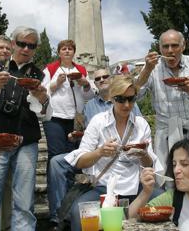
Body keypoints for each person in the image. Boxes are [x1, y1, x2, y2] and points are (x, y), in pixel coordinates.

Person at [0, 26, 51, 231]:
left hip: (27, 141)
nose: (26, 49)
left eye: (31, 45)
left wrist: (42, 99)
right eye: (22, 43)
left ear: (35, 48)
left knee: (24, 204)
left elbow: (46, 114)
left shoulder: (40, 74)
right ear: (13, 44)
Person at [65, 75, 164, 231]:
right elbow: (80, 161)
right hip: (104, 189)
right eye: (120, 99)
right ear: (111, 98)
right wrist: (100, 152)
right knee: (78, 213)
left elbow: (149, 164)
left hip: (135, 186)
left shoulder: (141, 124)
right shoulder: (98, 122)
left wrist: (143, 154)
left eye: (131, 99)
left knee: (165, 201)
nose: (126, 105)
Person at [46, 69, 141, 228]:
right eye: (97, 79)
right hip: (96, 153)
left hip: (120, 158)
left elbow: (136, 129)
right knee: (56, 162)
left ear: (112, 80)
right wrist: (77, 136)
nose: (102, 80)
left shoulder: (130, 104)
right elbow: (88, 133)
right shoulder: (90, 106)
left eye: (105, 76)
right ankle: (60, 216)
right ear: (94, 83)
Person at [135, 29, 189, 169]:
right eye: (165, 47)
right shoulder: (152, 68)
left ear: (183, 46)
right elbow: (135, 96)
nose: (170, 51)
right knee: (170, 179)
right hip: (166, 135)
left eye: (175, 45)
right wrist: (147, 70)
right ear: (159, 48)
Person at [41, 39, 94, 162]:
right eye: (64, 49)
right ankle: (55, 181)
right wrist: (57, 83)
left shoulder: (81, 70)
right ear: (59, 53)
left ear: (74, 52)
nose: (67, 51)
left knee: (74, 154)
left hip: (75, 119)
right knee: (56, 154)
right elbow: (42, 92)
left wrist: (85, 84)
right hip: (54, 117)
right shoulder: (51, 69)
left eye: (70, 49)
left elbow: (89, 96)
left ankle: (69, 181)